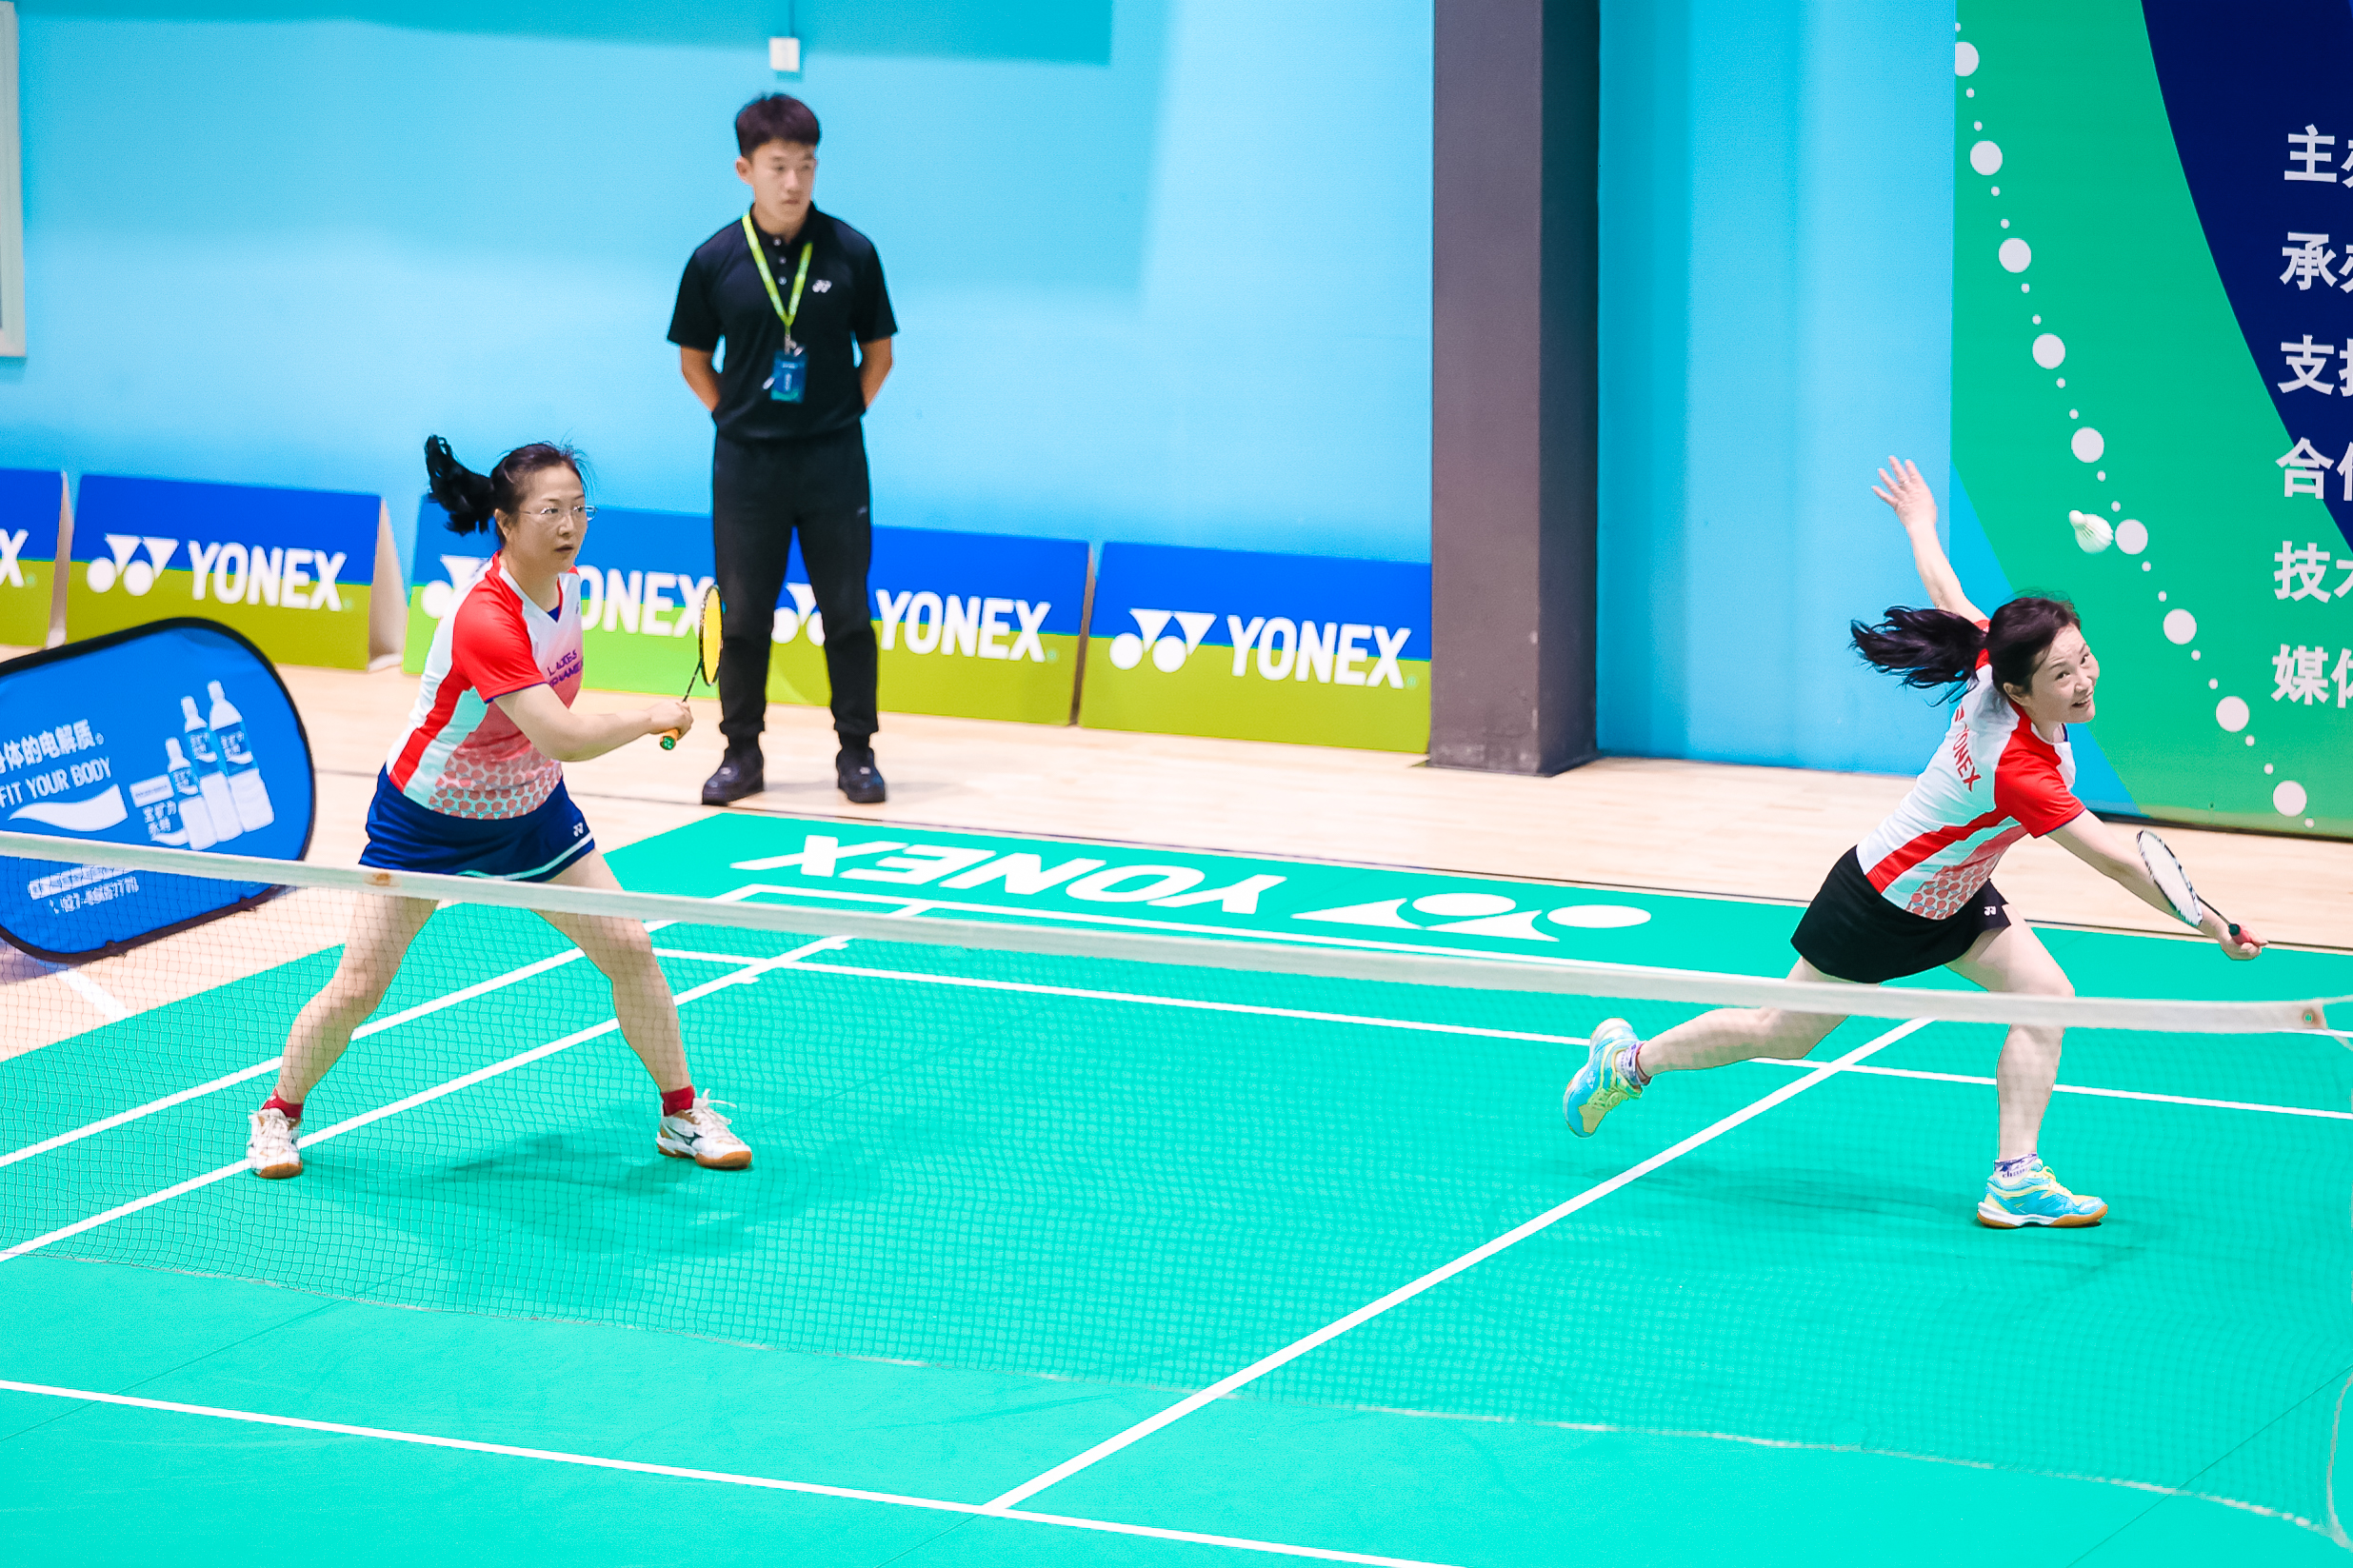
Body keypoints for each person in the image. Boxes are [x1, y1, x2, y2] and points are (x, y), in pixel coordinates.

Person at [1563, 457, 2263, 1228]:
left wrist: (1918, 520)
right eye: (2063, 674)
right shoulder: (2018, 768)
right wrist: (2213, 925)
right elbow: (2117, 861)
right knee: (1779, 1034)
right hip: (1879, 902)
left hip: (1954, 894)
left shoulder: (1999, 659)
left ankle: (2015, 1178)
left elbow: (1947, 594)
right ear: (2019, 689)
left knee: (2045, 996)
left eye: (2084, 658)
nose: (2083, 679)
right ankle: (1626, 1062)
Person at [244, 437, 753, 1181]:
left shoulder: (565, 586)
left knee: (630, 948)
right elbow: (562, 734)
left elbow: (546, 730)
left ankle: (681, 1115)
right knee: (358, 986)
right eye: (550, 511)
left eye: (579, 508)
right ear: (506, 522)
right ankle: (276, 1114)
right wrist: (647, 717)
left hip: (531, 814)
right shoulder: (486, 617)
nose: (569, 525)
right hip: (428, 822)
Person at [668, 92, 897, 808]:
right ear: (745, 169)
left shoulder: (852, 252)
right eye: (777, 166)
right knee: (742, 619)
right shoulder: (713, 260)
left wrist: (836, 419)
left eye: (806, 165)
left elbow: (879, 354)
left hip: (834, 462)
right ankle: (740, 753)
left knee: (847, 613)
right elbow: (693, 361)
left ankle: (857, 753)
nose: (793, 181)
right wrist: (735, 419)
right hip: (746, 467)